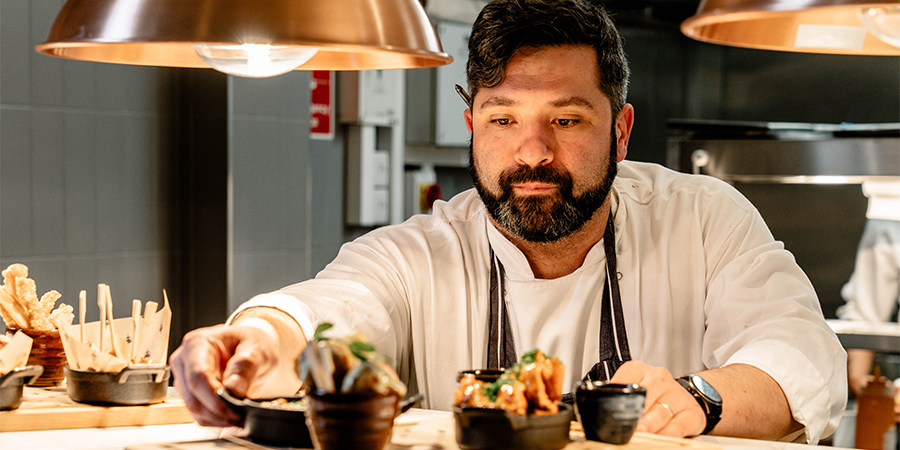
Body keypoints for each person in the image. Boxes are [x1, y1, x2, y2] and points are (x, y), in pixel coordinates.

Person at [171, 0, 847, 443]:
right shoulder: (420, 253)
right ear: (473, 127)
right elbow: (332, 308)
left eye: (567, 120)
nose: (533, 153)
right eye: (503, 120)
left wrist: (700, 397)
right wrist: (253, 339)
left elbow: (801, 353)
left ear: (620, 130)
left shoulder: (703, 219)